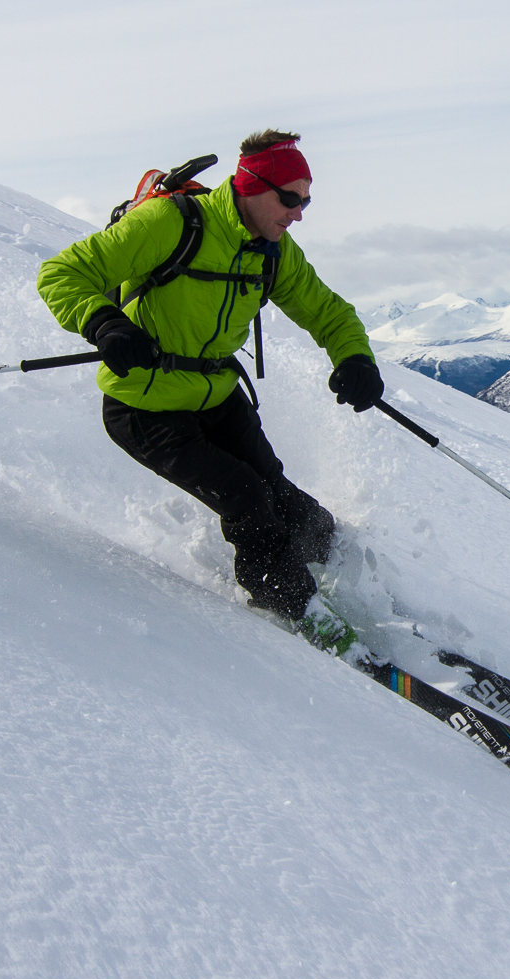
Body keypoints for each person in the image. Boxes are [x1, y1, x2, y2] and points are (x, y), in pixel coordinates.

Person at [36, 129, 383, 620]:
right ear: (252, 186)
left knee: (283, 499)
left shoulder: (273, 249)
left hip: (217, 397)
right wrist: (104, 322)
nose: (299, 213)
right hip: (144, 406)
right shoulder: (172, 225)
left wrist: (355, 359)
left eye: (306, 201)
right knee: (246, 497)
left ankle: (355, 585)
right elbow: (61, 272)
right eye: (290, 198)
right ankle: (296, 614)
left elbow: (328, 312)